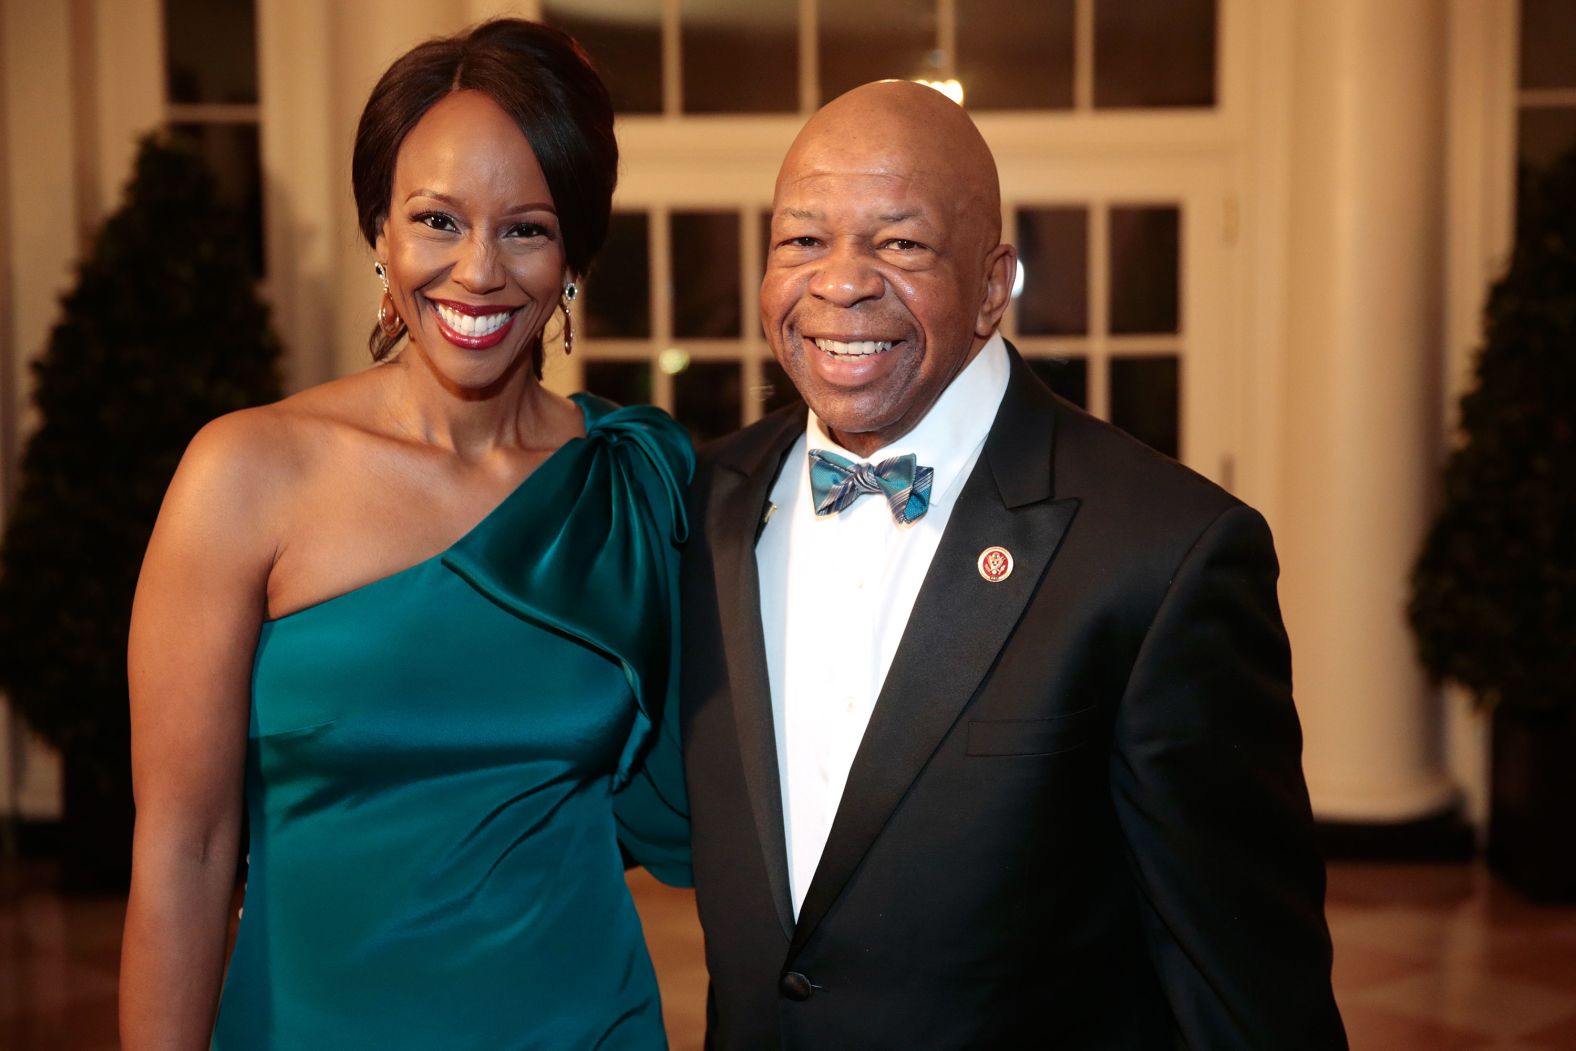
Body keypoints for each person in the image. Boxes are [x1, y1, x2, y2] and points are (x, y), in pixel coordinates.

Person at [680, 80, 1347, 1049]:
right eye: (801, 240)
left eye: (900, 242)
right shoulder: (698, 506)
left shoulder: (1163, 554)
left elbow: (1244, 982)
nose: (840, 281)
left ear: (994, 285)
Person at [120, 20, 689, 1049]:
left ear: (573, 254)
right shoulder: (245, 474)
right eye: (436, 220)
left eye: (526, 228)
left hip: (584, 1025)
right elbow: (184, 848)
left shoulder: (636, 481)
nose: (476, 272)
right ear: (378, 229)